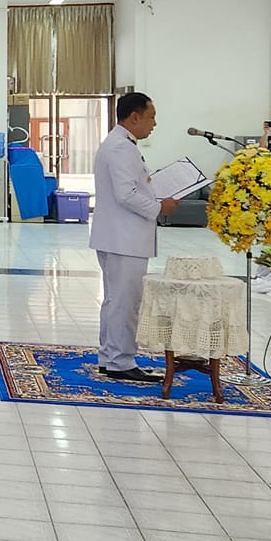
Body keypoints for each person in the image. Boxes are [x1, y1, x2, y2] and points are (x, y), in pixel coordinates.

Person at [90, 92, 178, 381]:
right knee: (125, 302)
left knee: (116, 300)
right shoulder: (121, 148)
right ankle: (121, 361)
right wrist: (159, 208)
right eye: (151, 117)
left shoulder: (120, 144)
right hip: (124, 238)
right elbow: (126, 194)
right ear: (134, 117)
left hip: (118, 236)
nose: (154, 124)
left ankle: (110, 356)